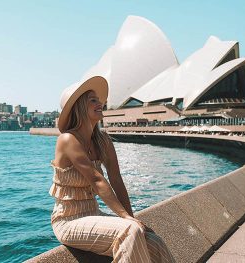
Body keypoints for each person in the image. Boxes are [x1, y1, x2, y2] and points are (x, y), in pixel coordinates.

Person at [50, 76, 175, 263]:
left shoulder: (103, 141)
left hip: (94, 214)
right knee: (129, 230)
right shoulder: (68, 139)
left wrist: (131, 218)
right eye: (93, 100)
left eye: (99, 100)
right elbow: (97, 180)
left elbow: (116, 179)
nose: (100, 103)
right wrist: (125, 218)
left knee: (153, 241)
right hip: (68, 221)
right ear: (79, 106)